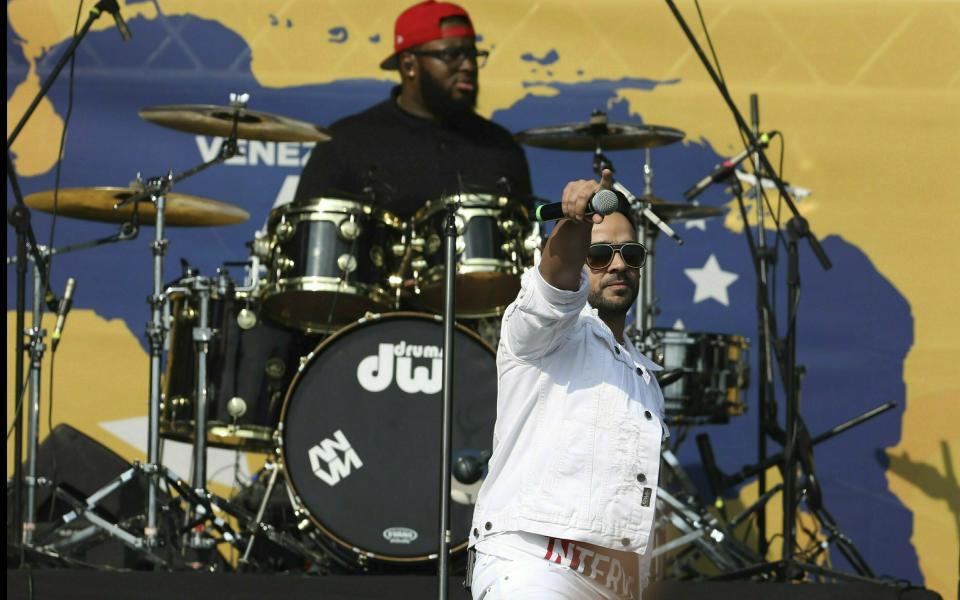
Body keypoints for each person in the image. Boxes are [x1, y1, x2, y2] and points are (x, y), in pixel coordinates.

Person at [468, 170, 668, 599]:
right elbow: (555, 286)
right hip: (536, 566)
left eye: (629, 253)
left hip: (616, 584)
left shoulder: (644, 377)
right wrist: (574, 225)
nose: (617, 265)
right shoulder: (544, 335)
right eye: (599, 254)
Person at [293, 0, 532, 219]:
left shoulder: (500, 146)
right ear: (409, 65)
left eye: (472, 54)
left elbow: (529, 248)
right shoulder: (347, 142)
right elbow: (306, 242)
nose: (468, 66)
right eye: (451, 55)